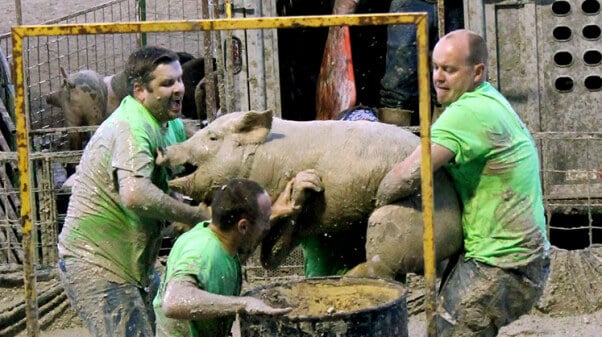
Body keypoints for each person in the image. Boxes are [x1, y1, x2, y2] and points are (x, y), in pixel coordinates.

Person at [376, 29, 550, 336]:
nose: (438, 77)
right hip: (521, 259)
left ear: (477, 71)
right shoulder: (491, 100)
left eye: (450, 69)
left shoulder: (467, 112)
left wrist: (372, 205)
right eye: (435, 67)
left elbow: (405, 176)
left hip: (501, 264)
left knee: (448, 332)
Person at [57, 46, 209, 337]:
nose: (179, 89)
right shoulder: (131, 128)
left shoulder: (169, 123)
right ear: (140, 91)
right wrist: (193, 215)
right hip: (97, 263)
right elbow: (135, 194)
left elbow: (197, 153)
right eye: (167, 83)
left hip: (133, 264)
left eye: (178, 80)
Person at [153, 174, 323, 337]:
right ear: (242, 227)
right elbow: (173, 301)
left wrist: (279, 212)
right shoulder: (203, 251)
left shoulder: (217, 235)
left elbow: (232, 256)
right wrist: (244, 303)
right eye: (265, 219)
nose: (266, 226)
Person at [332, 0, 464, 126]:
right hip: (411, 3)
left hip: (458, 5)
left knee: (452, 85)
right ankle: (394, 141)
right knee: (399, 86)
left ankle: (445, 140)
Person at [299, 106, 378, 277]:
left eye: (371, 136)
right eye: (354, 135)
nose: (363, 144)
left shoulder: (382, 174)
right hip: (326, 263)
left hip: (370, 266)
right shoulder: (318, 171)